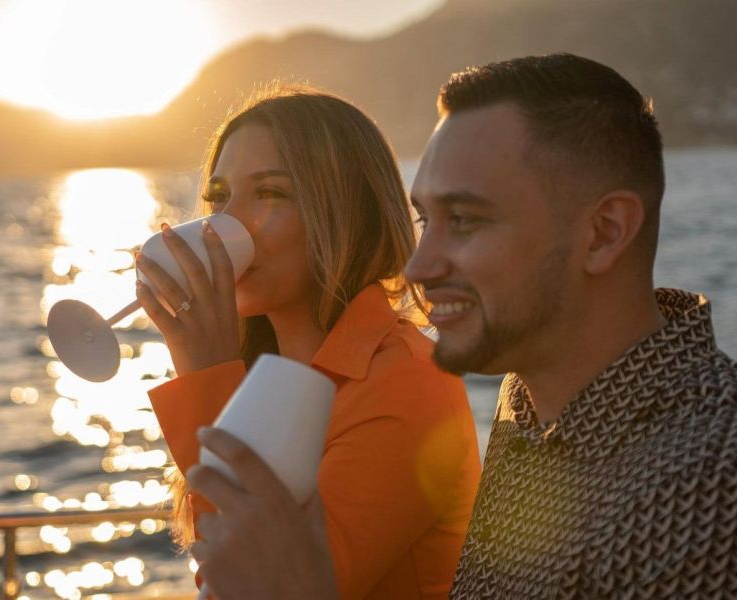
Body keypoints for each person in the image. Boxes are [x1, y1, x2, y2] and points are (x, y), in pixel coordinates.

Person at [187, 53, 737, 598]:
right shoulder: (524, 401)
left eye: (467, 220)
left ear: (604, 232)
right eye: (427, 218)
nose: (420, 266)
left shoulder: (709, 479)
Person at [135, 86, 481, 599]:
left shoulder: (408, 381)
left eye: (270, 193)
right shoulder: (266, 378)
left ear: (345, 212)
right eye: (219, 198)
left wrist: (206, 375)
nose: (225, 223)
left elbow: (253, 586)